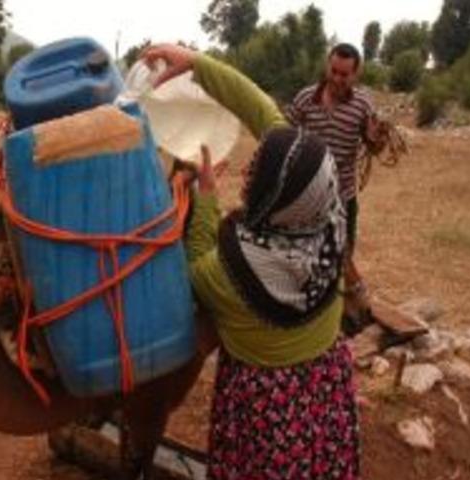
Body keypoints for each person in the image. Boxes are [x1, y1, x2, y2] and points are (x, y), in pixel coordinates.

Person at [141, 45, 360, 479]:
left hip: (266, 409)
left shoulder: (231, 272)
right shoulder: (327, 207)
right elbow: (266, 114)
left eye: (256, 175)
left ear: (271, 200)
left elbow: (197, 264)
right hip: (325, 380)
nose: (246, 173)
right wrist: (199, 65)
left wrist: (205, 200)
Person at [285, 43, 379, 333]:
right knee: (306, 258)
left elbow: (374, 147)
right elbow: (284, 136)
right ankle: (312, 317)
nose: (338, 79)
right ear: (328, 66)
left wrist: (377, 139)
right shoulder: (304, 99)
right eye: (334, 71)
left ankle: (346, 318)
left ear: (355, 74)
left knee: (342, 255)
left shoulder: (363, 106)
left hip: (343, 198)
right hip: (307, 199)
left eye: (344, 74)